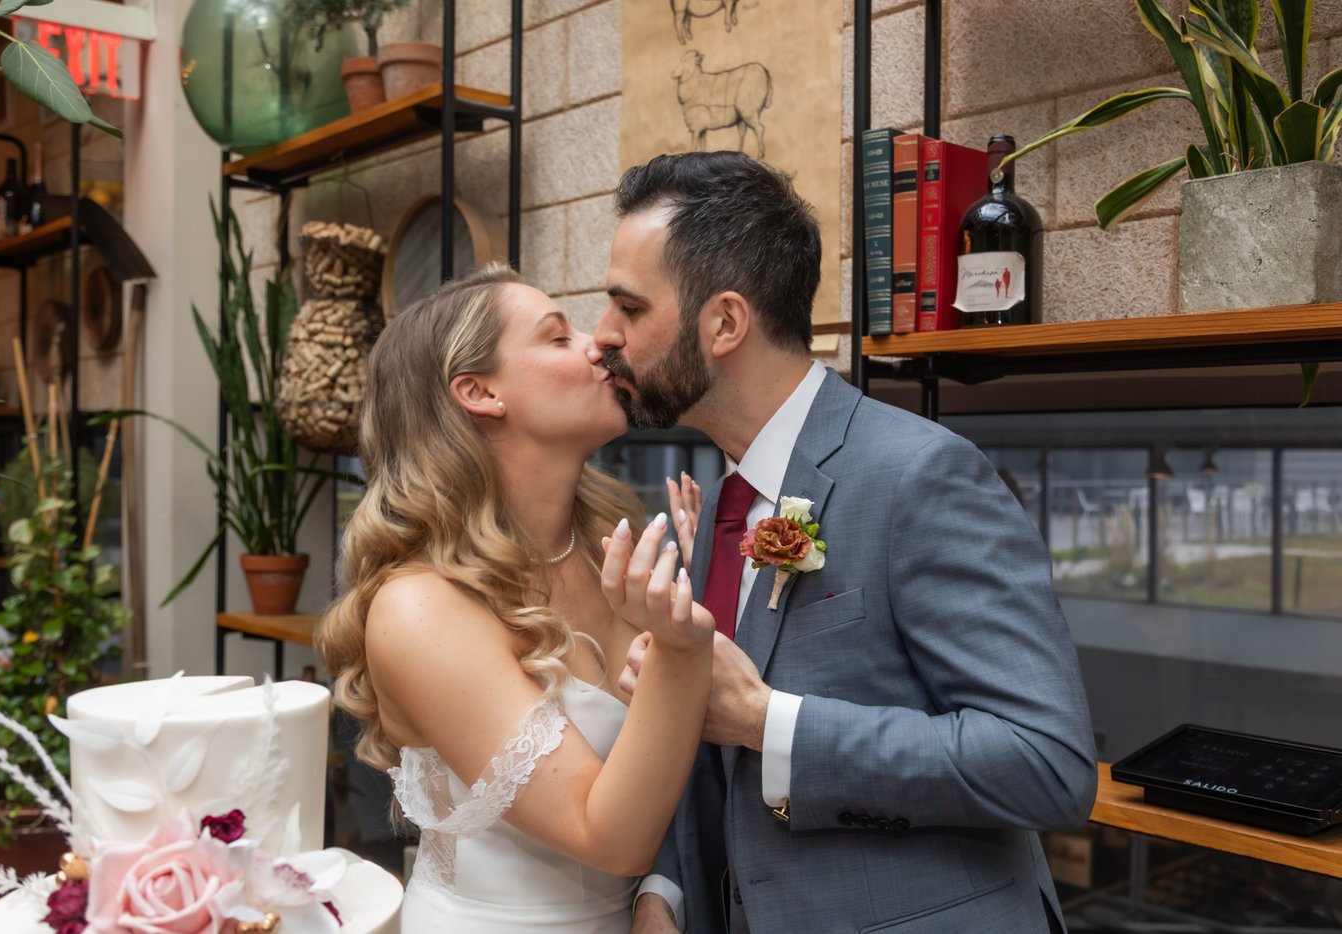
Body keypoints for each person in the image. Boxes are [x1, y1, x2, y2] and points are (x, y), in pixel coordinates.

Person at [595, 151, 1098, 934]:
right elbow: (712, 754)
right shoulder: (727, 501)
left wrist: (768, 719)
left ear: (724, 323)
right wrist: (668, 890)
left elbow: (1047, 763)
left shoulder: (919, 474)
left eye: (628, 309)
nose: (604, 336)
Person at [317, 262, 715, 934]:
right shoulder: (420, 606)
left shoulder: (605, 546)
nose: (598, 344)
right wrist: (684, 652)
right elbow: (605, 831)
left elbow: (689, 769)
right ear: (478, 392)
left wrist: (662, 894)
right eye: (558, 338)